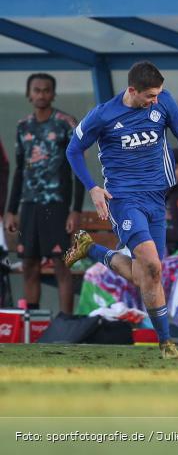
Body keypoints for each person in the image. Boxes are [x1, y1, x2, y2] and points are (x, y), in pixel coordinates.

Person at [63, 61, 178, 360]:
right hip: (124, 200)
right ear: (132, 90)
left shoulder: (165, 102)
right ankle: (166, 344)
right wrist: (93, 188)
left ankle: (92, 250)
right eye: (149, 96)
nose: (155, 101)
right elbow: (73, 150)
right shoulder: (103, 115)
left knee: (148, 274)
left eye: (158, 94)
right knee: (151, 265)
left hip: (157, 198)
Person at [3, 73, 84, 314]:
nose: (41, 94)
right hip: (28, 206)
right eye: (36, 90)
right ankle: (33, 322)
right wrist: (10, 210)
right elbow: (19, 170)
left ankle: (65, 323)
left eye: (46, 90)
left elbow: (77, 170)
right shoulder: (22, 126)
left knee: (62, 264)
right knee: (29, 264)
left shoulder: (66, 123)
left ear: (53, 94)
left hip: (56, 205)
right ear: (29, 95)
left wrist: (76, 210)